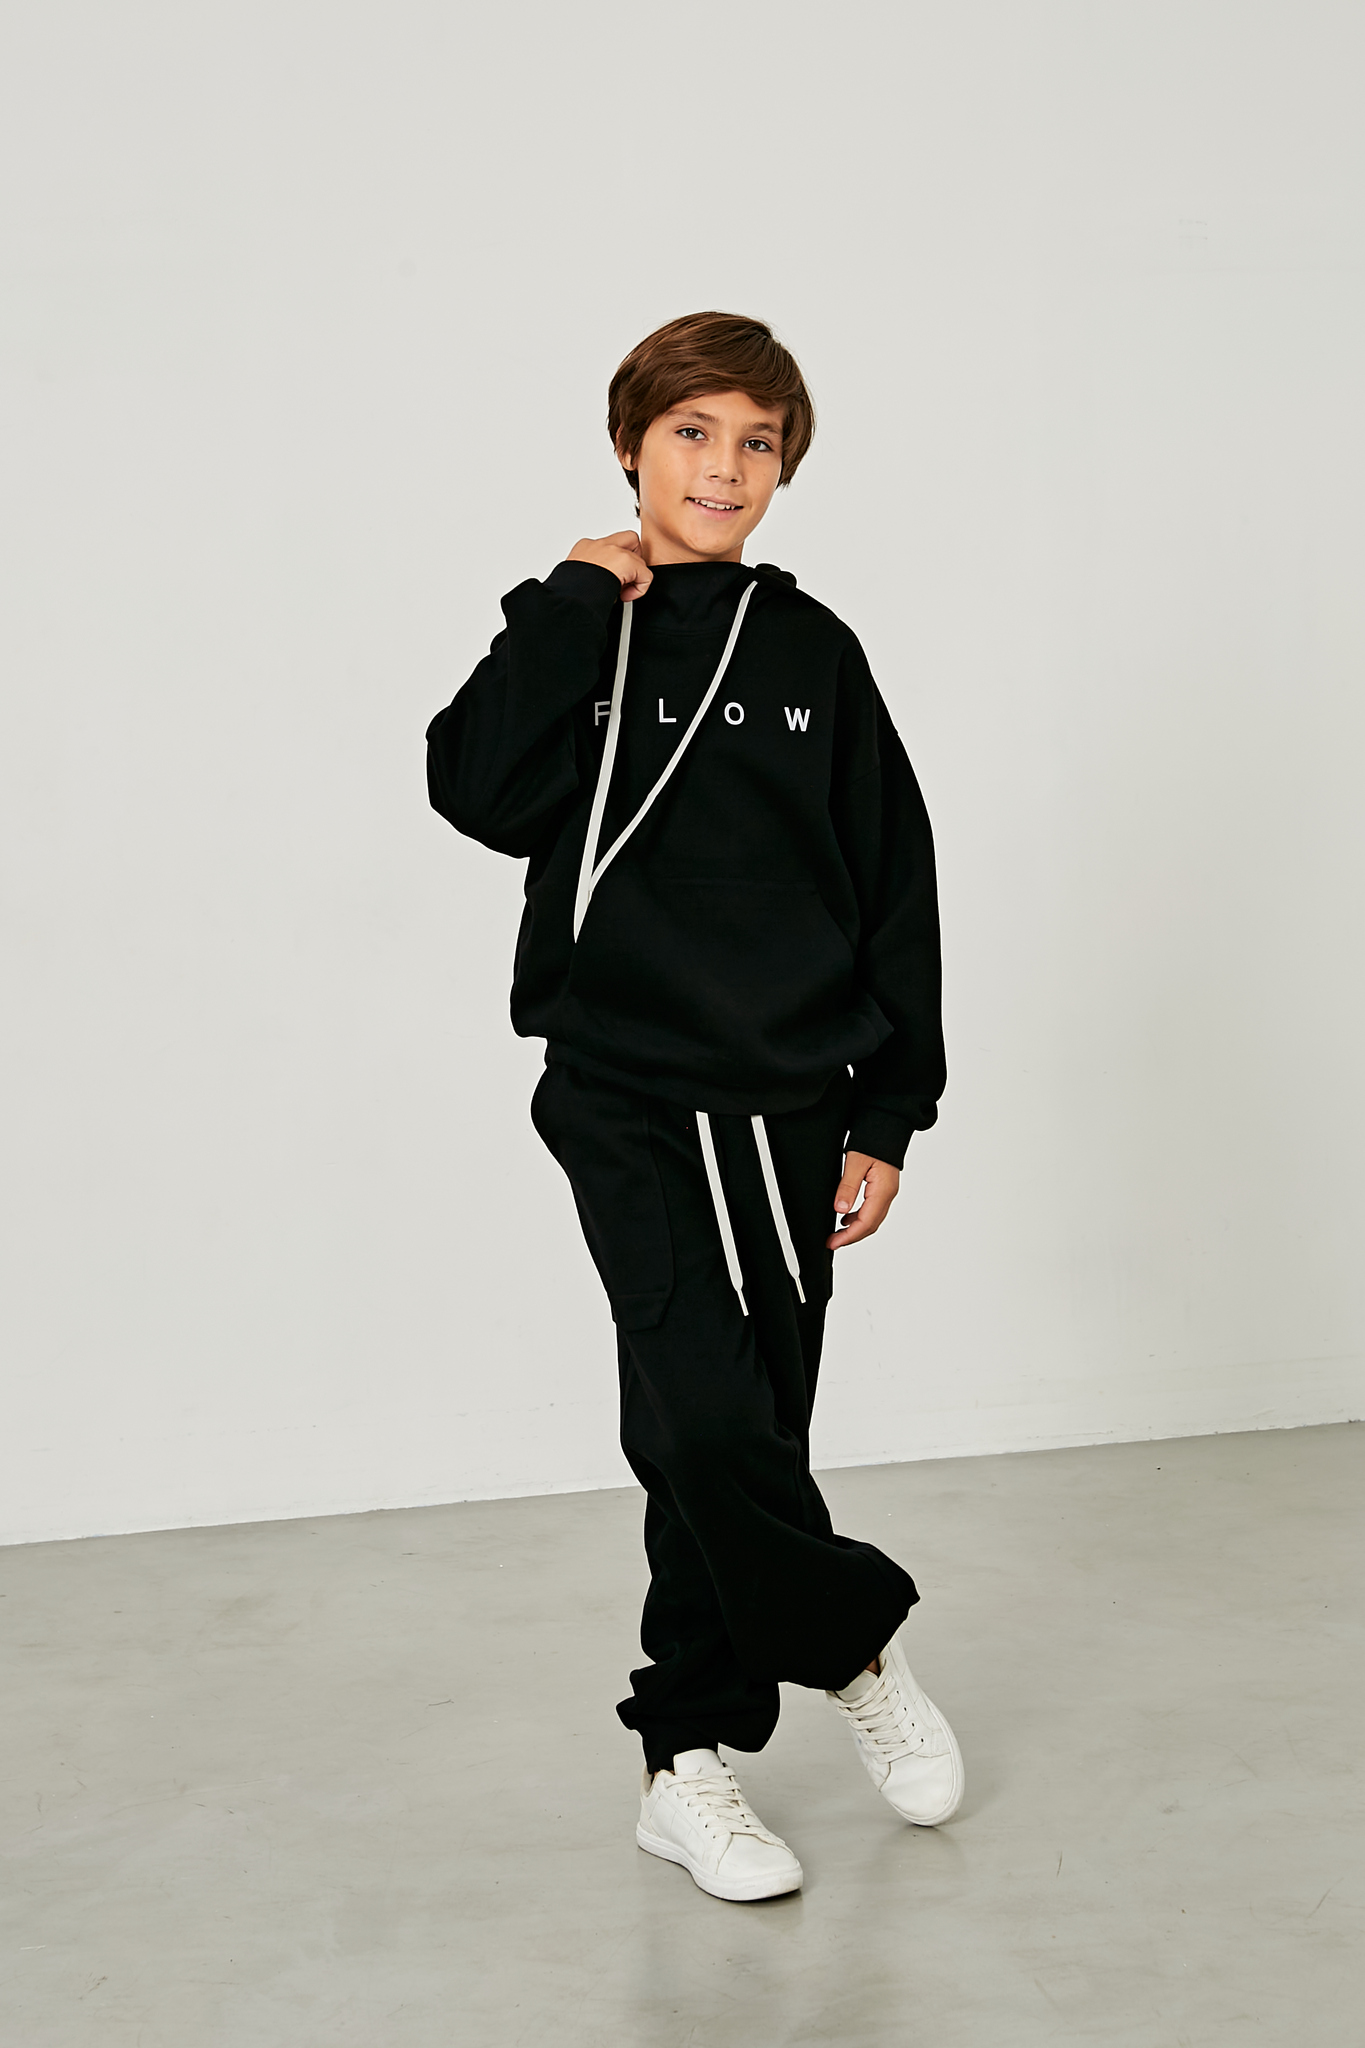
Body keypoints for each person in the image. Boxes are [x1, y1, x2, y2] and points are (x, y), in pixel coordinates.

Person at [425, 311, 961, 1903]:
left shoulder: (813, 653)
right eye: (691, 433)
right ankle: (852, 1645)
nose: (723, 468)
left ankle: (684, 1760)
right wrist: (569, 601)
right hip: (626, 1091)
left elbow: (893, 883)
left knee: (724, 1442)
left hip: (791, 1099)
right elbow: (474, 790)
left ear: (782, 467)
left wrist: (889, 1110)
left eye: (756, 442)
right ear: (630, 447)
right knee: (706, 1413)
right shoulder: (574, 626)